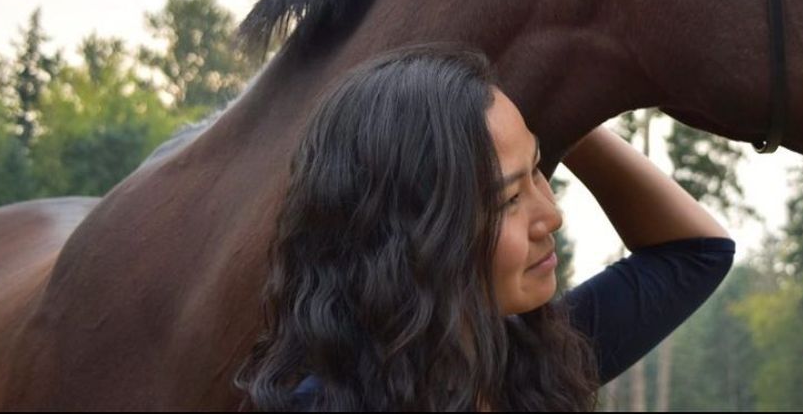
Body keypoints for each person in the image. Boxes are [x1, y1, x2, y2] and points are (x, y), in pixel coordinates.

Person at [240, 44, 734, 411]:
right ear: (414, 237)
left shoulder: (531, 359)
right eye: (510, 198)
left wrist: (560, 114)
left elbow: (696, 253)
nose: (552, 216)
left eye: (539, 169)